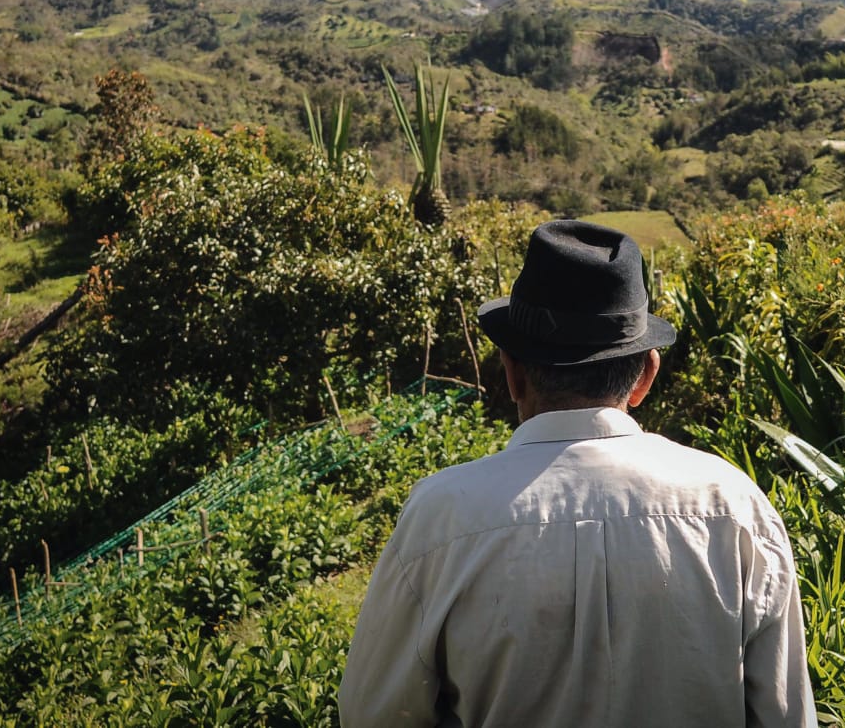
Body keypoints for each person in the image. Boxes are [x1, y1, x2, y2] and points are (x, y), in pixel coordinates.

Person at [337, 219, 816, 727]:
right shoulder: (732, 505)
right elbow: (785, 715)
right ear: (645, 377)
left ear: (513, 373)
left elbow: (375, 712)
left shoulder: (442, 515)